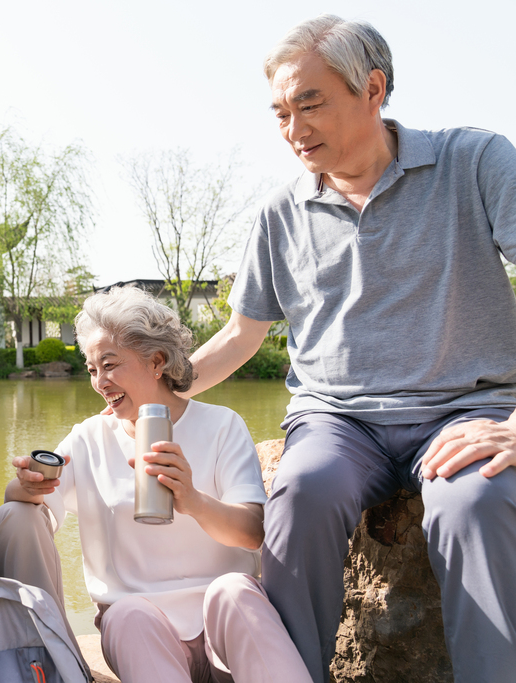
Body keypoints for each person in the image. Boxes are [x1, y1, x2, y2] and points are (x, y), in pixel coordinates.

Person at [184, 15, 516, 683]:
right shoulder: (281, 211)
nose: (292, 126)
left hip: (466, 405)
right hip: (339, 419)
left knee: (475, 501)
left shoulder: (476, 160)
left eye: (310, 102)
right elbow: (242, 334)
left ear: (373, 87)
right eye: (280, 111)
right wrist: (163, 387)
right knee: (303, 490)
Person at [1, 286, 311, 683]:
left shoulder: (221, 425)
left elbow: (253, 533)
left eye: (110, 365)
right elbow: (39, 509)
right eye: (92, 369)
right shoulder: (88, 438)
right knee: (128, 613)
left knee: (235, 590)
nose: (100, 382)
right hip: (141, 627)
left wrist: (193, 500)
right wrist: (23, 485)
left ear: (157, 361)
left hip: (222, 627)